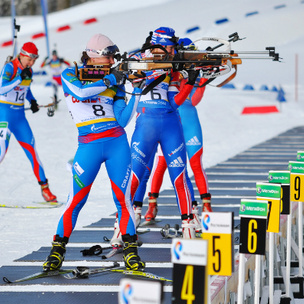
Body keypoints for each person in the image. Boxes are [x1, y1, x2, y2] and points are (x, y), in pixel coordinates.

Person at [42, 34, 145, 272]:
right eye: (108, 56)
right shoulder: (71, 73)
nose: (111, 61)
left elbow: (122, 119)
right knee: (75, 201)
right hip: (88, 146)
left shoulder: (115, 82)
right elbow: (81, 93)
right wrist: (112, 78)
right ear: (95, 55)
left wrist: (136, 91)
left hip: (116, 143)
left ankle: (130, 251)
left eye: (113, 58)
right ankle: (57, 250)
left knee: (124, 200)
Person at [132, 38, 212, 232]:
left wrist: (199, 79)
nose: (172, 51)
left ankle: (200, 211)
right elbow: (132, 65)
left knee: (189, 167)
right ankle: (142, 209)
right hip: (156, 122)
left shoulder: (177, 69)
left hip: (179, 123)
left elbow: (191, 100)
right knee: (149, 169)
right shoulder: (150, 61)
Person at [0, 42, 57, 202]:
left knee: (32, 152)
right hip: (4, 114)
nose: (31, 63)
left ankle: (45, 189)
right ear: (22, 54)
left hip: (19, 117)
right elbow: (1, 88)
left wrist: (32, 101)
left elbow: (26, 89)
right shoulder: (10, 67)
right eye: (30, 59)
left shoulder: (29, 71)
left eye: (34, 60)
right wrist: (19, 79)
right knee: (1, 152)